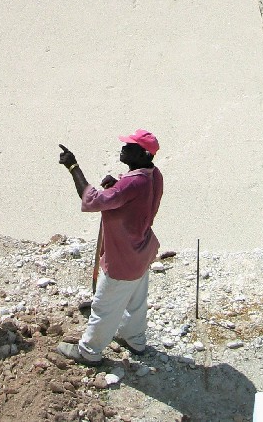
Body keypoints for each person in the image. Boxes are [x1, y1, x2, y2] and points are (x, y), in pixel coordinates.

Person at [56, 129, 164, 365]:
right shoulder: (154, 175)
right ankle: (135, 339)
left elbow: (93, 200)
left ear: (144, 154)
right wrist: (118, 186)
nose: (123, 148)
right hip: (142, 251)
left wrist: (73, 167)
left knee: (103, 307)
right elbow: (134, 197)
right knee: (136, 302)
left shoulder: (133, 183)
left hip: (122, 258)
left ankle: (89, 351)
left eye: (130, 146)